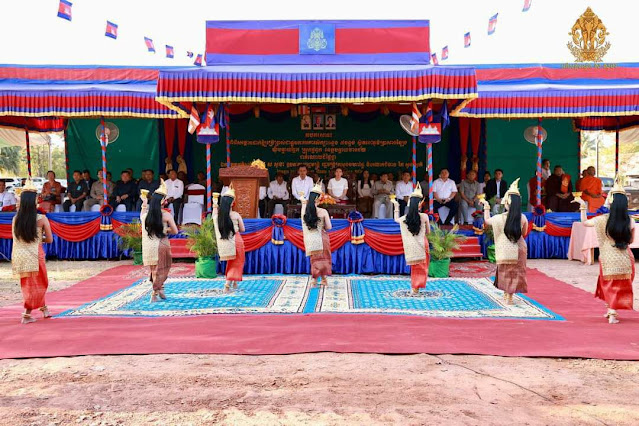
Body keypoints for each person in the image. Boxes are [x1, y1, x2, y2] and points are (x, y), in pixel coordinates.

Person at [11, 179, 53, 324]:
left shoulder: (16, 219)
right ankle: (26, 315)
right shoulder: (41, 219)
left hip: (21, 256)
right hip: (36, 255)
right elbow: (50, 239)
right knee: (40, 283)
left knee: (29, 284)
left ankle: (44, 308)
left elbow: (16, 238)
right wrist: (39, 238)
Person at [480, 178, 528, 305]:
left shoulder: (498, 218)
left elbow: (487, 221)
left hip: (504, 250)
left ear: (506, 203)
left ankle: (506, 294)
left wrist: (486, 207)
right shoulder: (523, 218)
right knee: (516, 272)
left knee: (505, 272)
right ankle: (510, 296)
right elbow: (524, 233)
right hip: (519, 249)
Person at [141, 179, 178, 302]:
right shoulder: (166, 215)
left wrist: (144, 203)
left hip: (149, 245)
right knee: (162, 269)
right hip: (161, 244)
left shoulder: (146, 215)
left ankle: (160, 289)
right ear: (162, 201)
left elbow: (142, 215)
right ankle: (155, 292)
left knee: (154, 270)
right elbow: (175, 231)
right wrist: (165, 229)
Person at [391, 183, 430, 295]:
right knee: (423, 267)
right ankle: (417, 286)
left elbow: (396, 220)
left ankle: (414, 287)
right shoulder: (424, 216)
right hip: (423, 244)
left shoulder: (405, 218)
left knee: (415, 267)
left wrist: (396, 206)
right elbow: (428, 232)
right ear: (420, 204)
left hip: (412, 246)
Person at [213, 186, 246, 293]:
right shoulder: (235, 215)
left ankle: (234, 282)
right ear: (232, 203)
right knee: (237, 262)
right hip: (236, 240)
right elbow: (243, 229)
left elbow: (214, 212)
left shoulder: (218, 216)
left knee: (231, 262)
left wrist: (215, 203)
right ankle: (227, 284)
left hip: (226, 242)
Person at [301, 180, 333, 286]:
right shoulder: (323, 211)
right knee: (323, 258)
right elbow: (329, 227)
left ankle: (314, 279)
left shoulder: (306, 211)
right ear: (318, 199)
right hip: (322, 237)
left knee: (314, 259)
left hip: (311, 238)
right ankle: (323, 279)